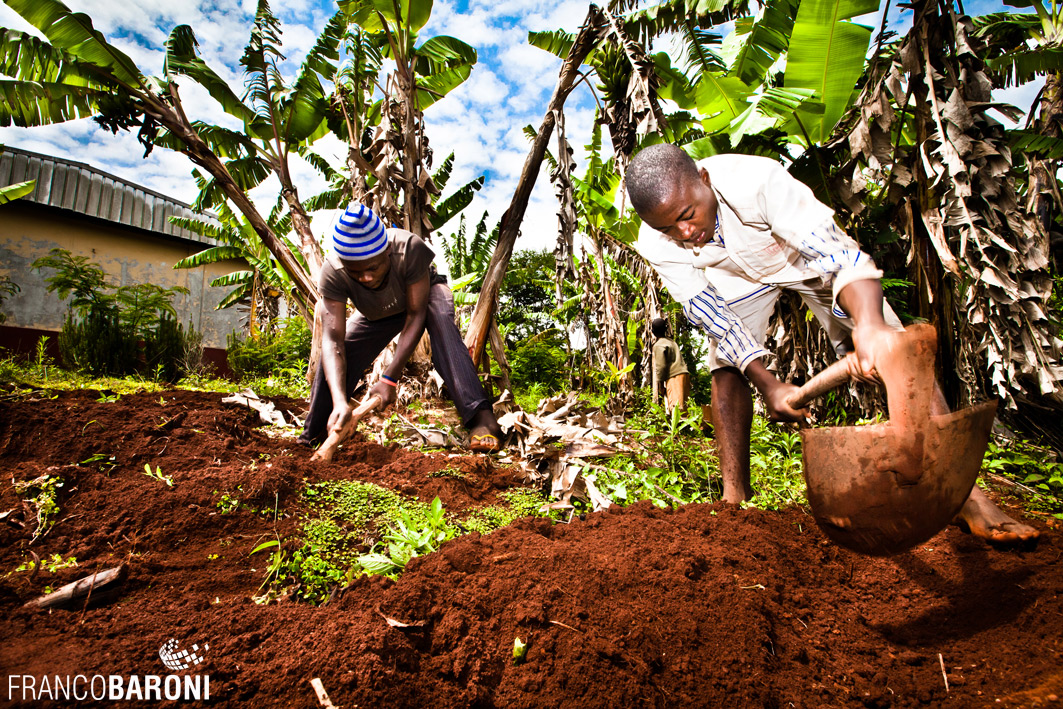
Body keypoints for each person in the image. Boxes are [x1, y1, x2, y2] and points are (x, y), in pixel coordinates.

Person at [625, 143, 1038, 548]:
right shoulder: (657, 241)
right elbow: (716, 317)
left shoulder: (756, 181)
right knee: (725, 365)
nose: (685, 233)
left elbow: (839, 256)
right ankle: (735, 499)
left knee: (897, 348)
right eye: (668, 228)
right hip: (734, 278)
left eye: (687, 215)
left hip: (800, 259)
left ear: (704, 178)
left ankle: (966, 497)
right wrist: (771, 387)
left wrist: (871, 327)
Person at [299, 203, 502, 452]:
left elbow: (416, 314)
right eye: (356, 272)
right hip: (378, 311)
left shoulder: (408, 248)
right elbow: (333, 340)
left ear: (387, 251)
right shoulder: (333, 271)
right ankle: (315, 433)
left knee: (441, 320)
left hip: (424, 297)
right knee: (345, 348)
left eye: (373, 267)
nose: (366, 277)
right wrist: (341, 401)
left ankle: (482, 419)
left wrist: (389, 379)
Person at [651, 317, 690, 413]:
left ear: (653, 331)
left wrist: (660, 384)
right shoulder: (671, 342)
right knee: (684, 410)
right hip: (684, 374)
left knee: (676, 410)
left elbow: (661, 366)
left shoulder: (659, 345)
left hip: (674, 377)